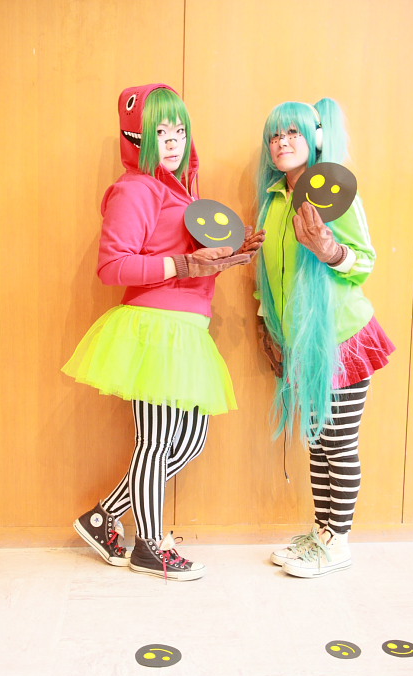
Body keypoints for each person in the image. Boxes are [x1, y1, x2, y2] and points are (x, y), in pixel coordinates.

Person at [63, 83, 264, 581]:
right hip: (155, 328)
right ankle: (149, 546)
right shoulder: (136, 189)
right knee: (155, 442)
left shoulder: (183, 194)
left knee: (190, 440)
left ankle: (102, 517)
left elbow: (185, 264)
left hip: (188, 330)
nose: (172, 140)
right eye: (159, 131)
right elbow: (113, 266)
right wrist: (184, 263)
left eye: (179, 129)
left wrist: (227, 256)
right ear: (136, 137)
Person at [255, 98, 395, 578]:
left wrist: (331, 250)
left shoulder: (336, 192)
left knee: (339, 443)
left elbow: (365, 260)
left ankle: (339, 541)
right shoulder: (274, 200)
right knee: (318, 442)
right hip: (302, 342)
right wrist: (267, 326)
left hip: (343, 338)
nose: (282, 142)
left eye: (293, 132)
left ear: (315, 139)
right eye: (275, 135)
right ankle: (322, 534)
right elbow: (270, 273)